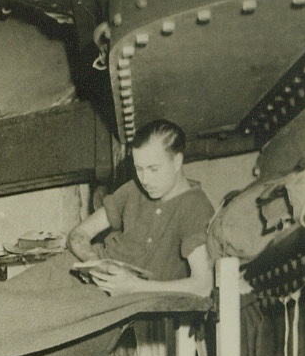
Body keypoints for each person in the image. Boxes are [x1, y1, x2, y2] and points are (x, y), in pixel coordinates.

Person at [66, 118, 215, 297]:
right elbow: (79, 234)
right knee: (27, 289)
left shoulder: (195, 207)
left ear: (177, 162)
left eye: (153, 169)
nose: (145, 180)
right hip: (87, 270)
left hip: (123, 297)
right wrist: (93, 261)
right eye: (139, 169)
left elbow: (203, 286)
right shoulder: (133, 189)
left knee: (38, 312)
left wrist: (134, 287)